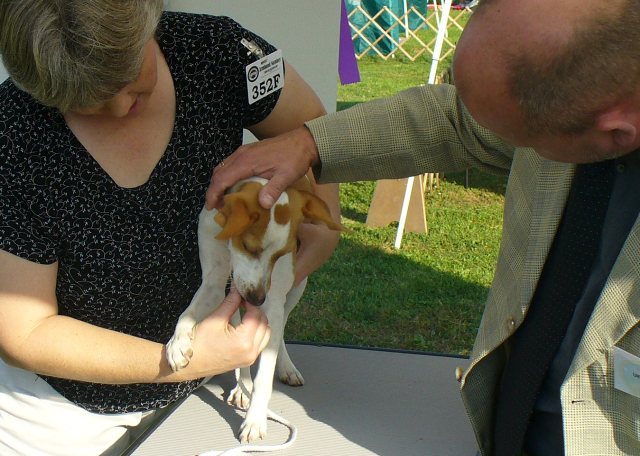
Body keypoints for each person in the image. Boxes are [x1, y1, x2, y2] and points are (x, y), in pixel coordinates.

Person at [206, 0, 640, 455]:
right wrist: (309, 142)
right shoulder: (585, 98)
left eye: (521, 139)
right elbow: (453, 125)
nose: (503, 143)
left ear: (615, 136)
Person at [0, 1, 340, 455]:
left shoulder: (220, 52)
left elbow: (314, 133)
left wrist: (320, 227)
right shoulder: (14, 134)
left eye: (126, 76)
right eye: (86, 102)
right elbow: (23, 331)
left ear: (147, 22)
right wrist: (182, 359)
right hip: (63, 415)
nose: (121, 107)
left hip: (204, 389)